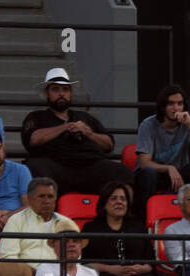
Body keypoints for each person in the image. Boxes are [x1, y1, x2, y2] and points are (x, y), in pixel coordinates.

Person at [21, 68, 131, 197]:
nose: (61, 94)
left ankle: (127, 215)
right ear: (47, 93)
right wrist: (64, 127)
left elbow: (109, 145)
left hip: (89, 167)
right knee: (34, 167)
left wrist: (89, 133)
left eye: (65, 89)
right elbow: (33, 139)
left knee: (123, 172)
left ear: (70, 93)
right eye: (55, 89)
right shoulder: (36, 116)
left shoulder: (85, 117)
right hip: (56, 167)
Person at [135, 84, 190, 217]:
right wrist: (169, 168)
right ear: (163, 106)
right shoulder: (148, 125)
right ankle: (144, 222)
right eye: (171, 104)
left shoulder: (188, 123)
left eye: (179, 103)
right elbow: (144, 163)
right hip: (153, 175)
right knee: (149, 173)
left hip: (178, 176)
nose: (176, 108)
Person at [0, 177, 73, 276]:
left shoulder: (67, 223)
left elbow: (74, 257)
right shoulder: (16, 220)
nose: (47, 201)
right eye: (41, 196)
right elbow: (8, 256)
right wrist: (33, 272)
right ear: (30, 199)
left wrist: (50, 274)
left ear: (55, 199)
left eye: (50, 196)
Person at [85, 180, 161, 276]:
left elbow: (151, 262)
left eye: (123, 199)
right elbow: (86, 263)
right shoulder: (91, 228)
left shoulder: (138, 228)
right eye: (113, 198)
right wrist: (110, 269)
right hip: (106, 275)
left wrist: (141, 269)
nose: (119, 202)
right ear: (104, 204)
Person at [29, 218, 100, 276]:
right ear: (54, 246)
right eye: (65, 241)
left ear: (80, 246)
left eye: (75, 241)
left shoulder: (91, 274)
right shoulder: (45, 270)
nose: (72, 244)